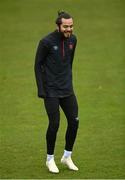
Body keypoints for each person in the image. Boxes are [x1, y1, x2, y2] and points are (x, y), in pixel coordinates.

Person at [34, 11, 79, 173]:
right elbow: (37, 65)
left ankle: (67, 156)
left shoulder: (73, 40)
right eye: (66, 26)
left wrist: (67, 79)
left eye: (71, 26)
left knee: (74, 121)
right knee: (55, 124)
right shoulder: (46, 42)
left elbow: (68, 62)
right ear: (58, 26)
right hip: (51, 91)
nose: (69, 29)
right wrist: (41, 88)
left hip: (67, 89)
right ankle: (50, 159)